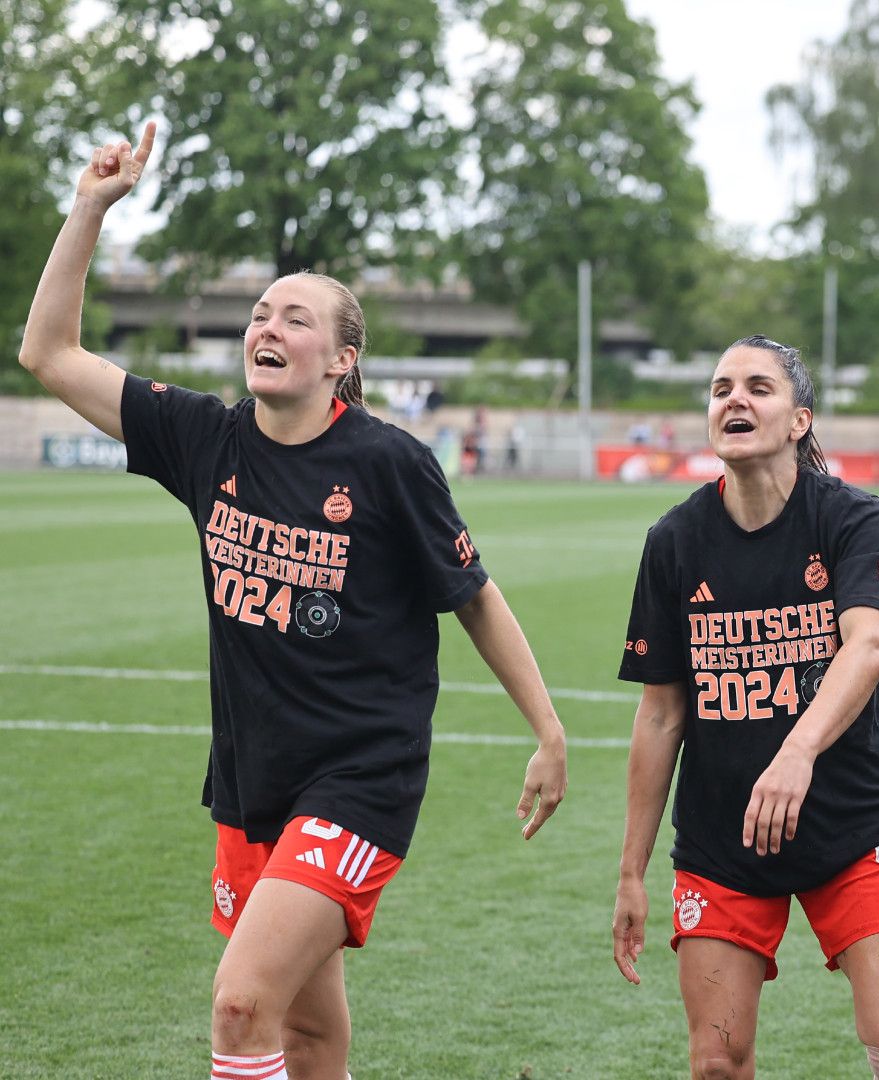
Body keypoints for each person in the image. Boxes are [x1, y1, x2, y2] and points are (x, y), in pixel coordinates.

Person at [17, 122, 569, 1080]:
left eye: (297, 319)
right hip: (251, 782)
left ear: (342, 360)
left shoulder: (391, 464)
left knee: (240, 1002)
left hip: (362, 780)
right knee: (307, 1038)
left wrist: (550, 732)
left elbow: (472, 596)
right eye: (262, 313)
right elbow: (49, 353)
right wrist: (89, 209)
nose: (268, 328)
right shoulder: (205, 439)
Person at [612, 335, 879, 1080]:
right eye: (722, 386)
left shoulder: (851, 518)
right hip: (721, 841)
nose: (735, 399)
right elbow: (662, 715)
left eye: (759, 387)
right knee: (716, 1064)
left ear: (800, 420)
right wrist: (631, 873)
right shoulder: (673, 540)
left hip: (848, 822)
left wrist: (796, 753)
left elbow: (867, 647)